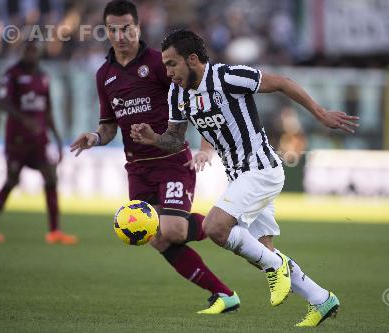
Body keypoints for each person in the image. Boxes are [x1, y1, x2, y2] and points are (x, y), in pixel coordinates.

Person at [130, 29, 360, 327]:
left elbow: (282, 83)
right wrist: (154, 139)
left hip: (261, 169)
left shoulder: (228, 77)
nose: (168, 71)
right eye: (165, 64)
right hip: (238, 175)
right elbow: (175, 139)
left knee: (216, 228)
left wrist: (319, 113)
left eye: (172, 64)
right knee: (262, 251)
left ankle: (278, 268)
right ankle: (321, 299)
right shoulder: (178, 93)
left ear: (193, 59)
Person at [69, 0, 239, 314]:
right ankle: (224, 294)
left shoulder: (160, 63)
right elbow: (108, 127)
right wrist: (94, 137)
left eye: (127, 28)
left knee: (173, 229)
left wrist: (204, 147)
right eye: (114, 29)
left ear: (138, 27)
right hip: (137, 170)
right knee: (158, 239)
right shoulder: (104, 74)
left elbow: (198, 98)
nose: (121, 35)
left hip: (172, 160)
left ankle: (230, 226)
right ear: (106, 31)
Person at [0, 42, 77, 245]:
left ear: (39, 53)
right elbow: (1, 101)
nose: (31, 55)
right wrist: (24, 120)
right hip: (17, 140)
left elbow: (48, 110)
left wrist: (58, 140)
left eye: (34, 51)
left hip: (39, 141)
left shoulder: (43, 76)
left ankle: (54, 231)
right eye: (27, 51)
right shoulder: (12, 74)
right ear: (22, 52)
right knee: (12, 180)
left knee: (51, 178)